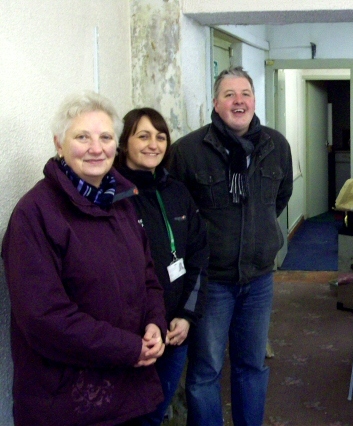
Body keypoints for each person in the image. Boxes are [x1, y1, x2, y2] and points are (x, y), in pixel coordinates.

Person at [1, 91, 167, 426]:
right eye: (82, 137)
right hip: (66, 405)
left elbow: (148, 275)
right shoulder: (34, 215)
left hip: (129, 394)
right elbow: (44, 318)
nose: (96, 148)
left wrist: (155, 323)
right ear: (59, 144)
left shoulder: (120, 202)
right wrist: (129, 348)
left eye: (105, 137)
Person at [169, 66, 293, 426]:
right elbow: (176, 215)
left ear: (254, 101)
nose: (238, 101)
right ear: (215, 102)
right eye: (229, 94)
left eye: (245, 94)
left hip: (258, 280)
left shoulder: (275, 146)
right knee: (205, 369)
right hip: (210, 283)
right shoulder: (188, 151)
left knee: (251, 366)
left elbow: (279, 199)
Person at [115, 107, 209, 426]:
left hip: (173, 332)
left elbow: (198, 256)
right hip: (131, 336)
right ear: (123, 143)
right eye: (142, 135)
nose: (153, 143)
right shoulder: (112, 196)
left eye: (160, 136)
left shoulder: (177, 192)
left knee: (155, 412)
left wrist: (186, 315)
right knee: (127, 415)